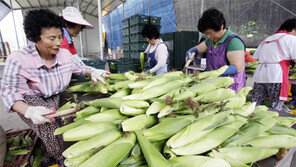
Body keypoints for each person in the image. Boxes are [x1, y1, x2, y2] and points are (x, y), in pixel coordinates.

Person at [0, 9, 109, 166]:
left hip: (57, 94)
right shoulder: (18, 59)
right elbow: (9, 93)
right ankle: (61, 159)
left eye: (59, 37)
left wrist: (93, 72)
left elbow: (80, 67)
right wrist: (29, 111)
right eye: (52, 38)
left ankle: (51, 153)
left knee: (73, 117)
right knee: (48, 126)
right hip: (31, 99)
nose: (58, 42)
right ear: (34, 38)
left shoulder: (64, 54)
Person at [185, 8, 246, 92]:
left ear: (221, 26)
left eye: (210, 33)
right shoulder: (211, 40)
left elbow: (237, 68)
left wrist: (213, 74)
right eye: (206, 34)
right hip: (213, 86)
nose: (208, 36)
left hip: (229, 89)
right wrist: (192, 51)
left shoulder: (234, 41)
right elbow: (199, 48)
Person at [251, 19, 296, 111]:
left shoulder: (268, 39)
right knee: (275, 107)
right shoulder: (291, 39)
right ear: (294, 29)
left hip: (260, 74)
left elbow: (256, 57)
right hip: (277, 75)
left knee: (255, 105)